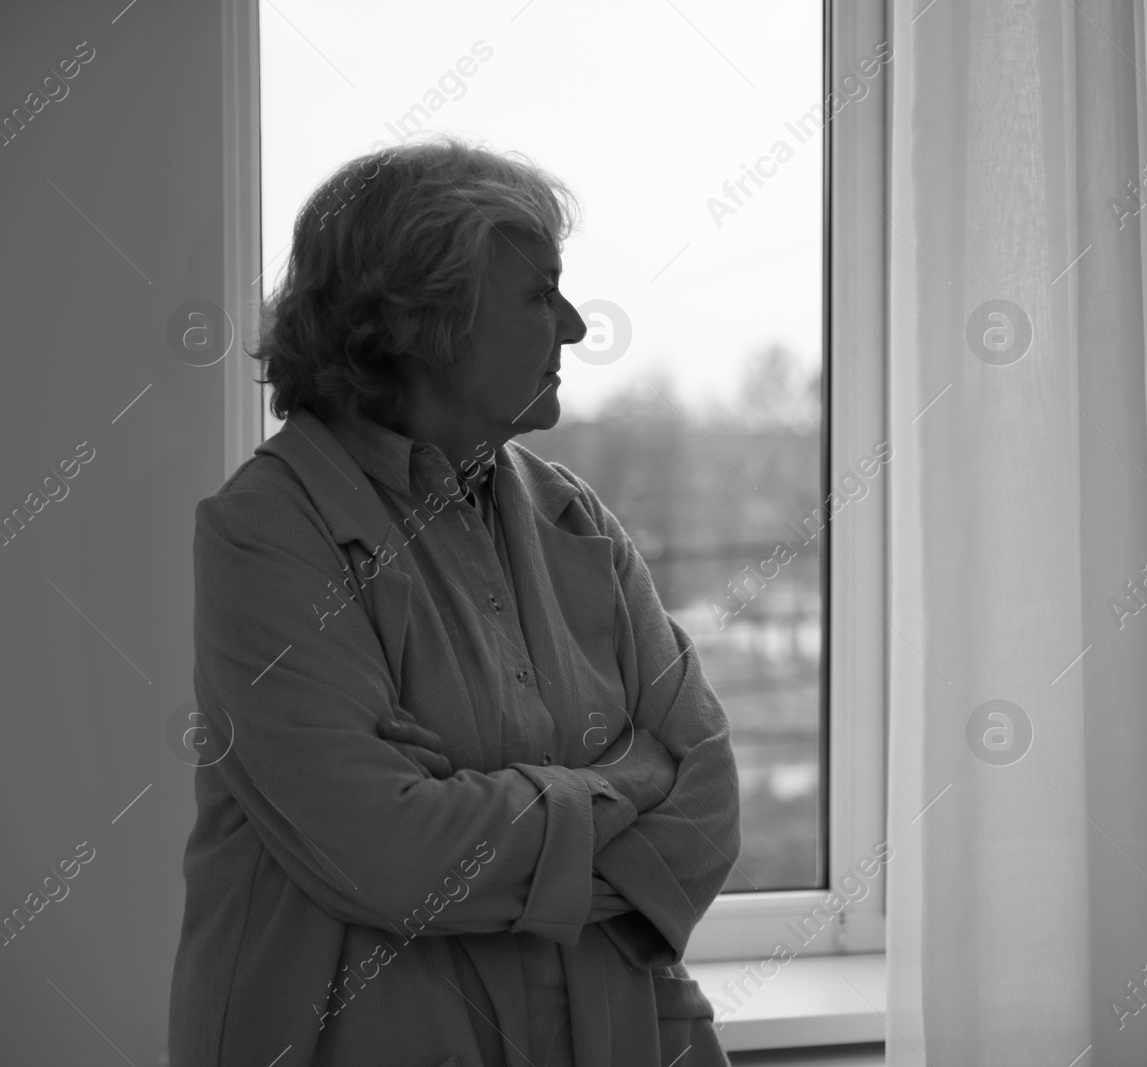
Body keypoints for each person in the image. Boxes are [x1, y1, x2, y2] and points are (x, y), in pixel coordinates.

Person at [168, 136, 740, 1067]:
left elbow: (705, 800)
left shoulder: (573, 513)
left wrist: (491, 816)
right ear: (422, 317)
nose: (574, 325)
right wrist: (621, 784)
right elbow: (390, 857)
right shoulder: (263, 530)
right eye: (537, 293)